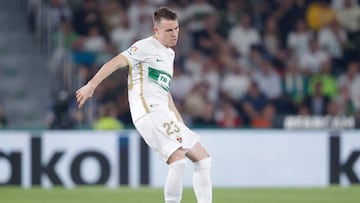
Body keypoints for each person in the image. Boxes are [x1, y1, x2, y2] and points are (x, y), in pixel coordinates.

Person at [76, 7, 212, 203]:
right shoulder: (144, 47)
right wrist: (92, 85)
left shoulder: (169, 55)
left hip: (163, 112)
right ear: (156, 30)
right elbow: (115, 62)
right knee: (179, 160)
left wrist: (180, 123)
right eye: (168, 30)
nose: (174, 34)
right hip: (147, 111)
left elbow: (166, 94)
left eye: (176, 29)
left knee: (203, 158)